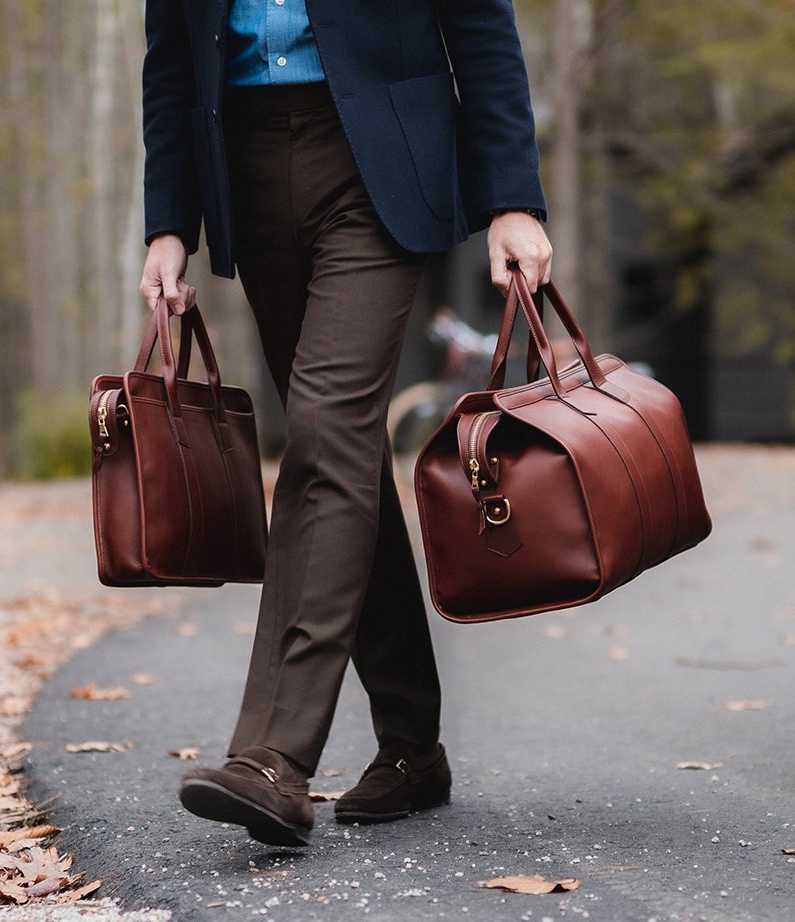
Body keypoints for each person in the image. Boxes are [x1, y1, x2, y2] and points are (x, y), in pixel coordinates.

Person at [139, 0, 552, 847]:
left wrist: (512, 196)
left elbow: (479, 26)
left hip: (378, 161)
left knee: (324, 437)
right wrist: (169, 223)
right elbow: (171, 64)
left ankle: (274, 754)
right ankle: (410, 746)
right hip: (245, 169)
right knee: (346, 455)